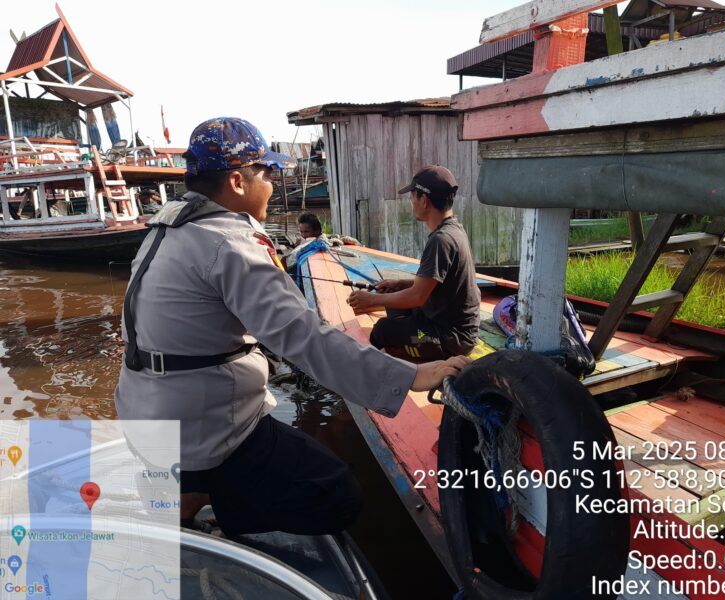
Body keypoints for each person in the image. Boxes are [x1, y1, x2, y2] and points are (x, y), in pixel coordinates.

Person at [114, 117, 468, 537]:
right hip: (204, 425)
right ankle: (223, 513)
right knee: (337, 495)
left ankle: (190, 492)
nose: (274, 181)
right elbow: (302, 336)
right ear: (237, 182)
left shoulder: (166, 229)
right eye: (267, 172)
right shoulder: (230, 244)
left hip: (147, 411)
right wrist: (409, 376)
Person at [348, 165, 480, 360]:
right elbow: (439, 284)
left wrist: (371, 299)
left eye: (412, 198)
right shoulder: (454, 229)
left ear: (424, 201)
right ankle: (408, 341)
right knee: (394, 296)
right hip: (448, 322)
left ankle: (405, 356)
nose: (412, 204)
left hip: (451, 340)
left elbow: (417, 297)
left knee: (383, 331)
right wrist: (401, 284)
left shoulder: (440, 240)